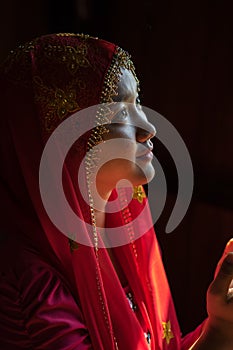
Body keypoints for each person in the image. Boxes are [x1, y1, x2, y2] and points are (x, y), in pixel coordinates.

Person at [0, 33, 232, 350]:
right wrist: (219, 333)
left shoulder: (121, 225)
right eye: (120, 112)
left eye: (137, 102)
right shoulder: (29, 279)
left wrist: (220, 322)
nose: (149, 127)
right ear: (61, 138)